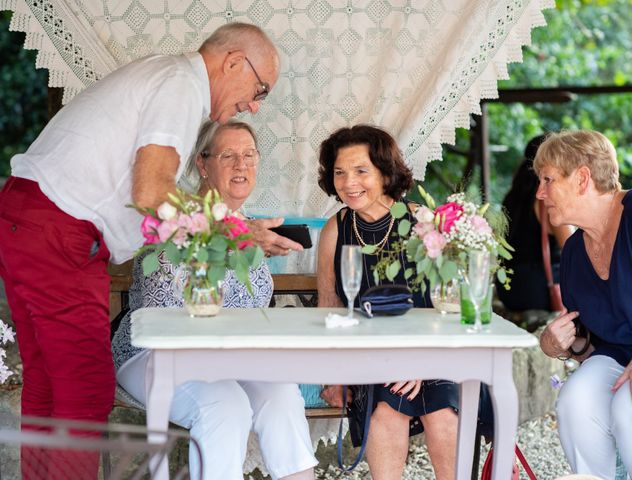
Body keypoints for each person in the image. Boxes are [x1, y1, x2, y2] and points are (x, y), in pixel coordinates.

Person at [0, 22, 301, 477]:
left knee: (49, 383)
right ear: (234, 61)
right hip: (58, 229)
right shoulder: (183, 85)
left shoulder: (167, 78)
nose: (255, 106)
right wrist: (236, 234)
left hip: (30, 217)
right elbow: (151, 193)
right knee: (83, 389)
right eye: (260, 89)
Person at [112, 120, 317, 480]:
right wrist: (231, 241)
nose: (242, 165)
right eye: (229, 155)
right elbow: (164, 306)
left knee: (282, 396)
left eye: (249, 155)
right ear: (203, 165)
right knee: (225, 404)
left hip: (230, 359)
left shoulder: (253, 228)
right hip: (155, 355)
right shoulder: (175, 219)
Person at [315, 124, 463, 480]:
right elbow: (329, 304)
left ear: (385, 172)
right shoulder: (335, 230)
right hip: (370, 355)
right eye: (340, 172)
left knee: (443, 414)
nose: (349, 182)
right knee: (386, 412)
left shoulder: (424, 222)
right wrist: (335, 376)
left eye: (361, 170)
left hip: (433, 349)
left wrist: (421, 360)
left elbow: (452, 304)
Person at [534, 130, 632, 478]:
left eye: (548, 180)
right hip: (617, 359)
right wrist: (558, 343)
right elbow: (591, 342)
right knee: (575, 401)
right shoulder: (576, 253)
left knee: (630, 408)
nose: (540, 193)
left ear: (582, 178)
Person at [497, 135, 573, 312]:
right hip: (539, 290)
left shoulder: (512, 196)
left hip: (508, 287)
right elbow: (572, 248)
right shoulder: (548, 199)